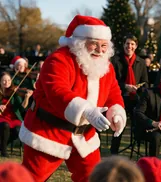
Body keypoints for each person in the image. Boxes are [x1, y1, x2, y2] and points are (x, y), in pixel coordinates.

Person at [18, 15, 127, 182]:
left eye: (104, 45)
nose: (100, 50)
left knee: (94, 178)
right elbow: (57, 90)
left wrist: (116, 113)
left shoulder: (106, 66)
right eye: (94, 44)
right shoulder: (59, 59)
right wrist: (87, 110)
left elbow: (113, 92)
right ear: (80, 42)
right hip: (49, 132)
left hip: (84, 137)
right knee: (30, 178)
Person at [110, 34, 148, 154]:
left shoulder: (141, 62)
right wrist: (125, 86)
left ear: (136, 46)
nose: (129, 46)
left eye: (132, 44)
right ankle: (114, 151)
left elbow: (145, 81)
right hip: (119, 97)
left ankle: (135, 148)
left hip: (135, 98)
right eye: (127, 43)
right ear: (123, 45)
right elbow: (111, 80)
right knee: (118, 124)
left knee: (139, 122)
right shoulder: (116, 60)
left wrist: (139, 89)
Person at [0, 72, 32, 157]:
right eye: (4, 80)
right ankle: (4, 151)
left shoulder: (14, 92)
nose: (6, 82)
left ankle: (2, 146)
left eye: (8, 80)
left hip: (13, 118)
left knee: (18, 130)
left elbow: (22, 107)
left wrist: (27, 97)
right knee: (5, 126)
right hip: (2, 117)